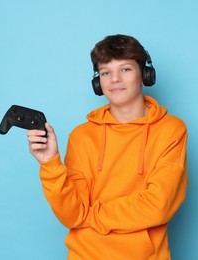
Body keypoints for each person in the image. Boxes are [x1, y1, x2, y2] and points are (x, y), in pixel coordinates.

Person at [27, 34, 188, 259]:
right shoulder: (81, 136)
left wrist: (91, 216)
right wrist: (50, 163)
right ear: (98, 82)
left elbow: (157, 206)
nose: (114, 79)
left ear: (145, 75)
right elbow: (72, 215)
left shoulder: (171, 130)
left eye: (125, 69)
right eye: (105, 72)